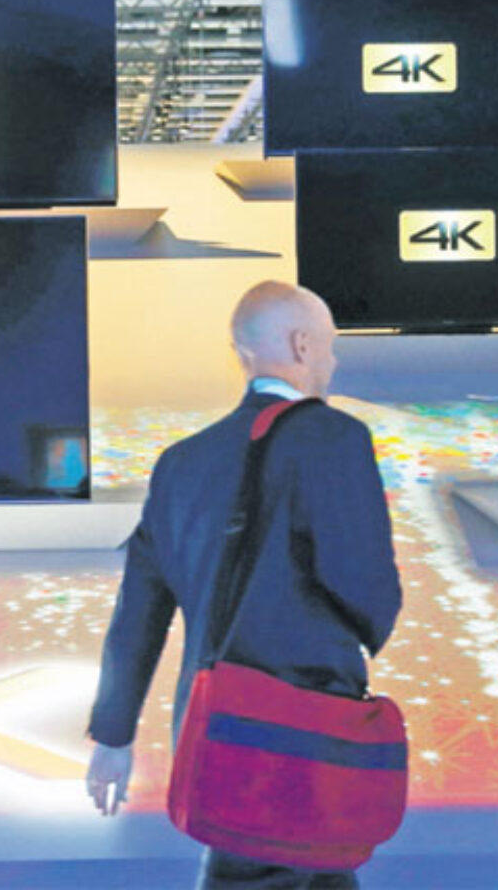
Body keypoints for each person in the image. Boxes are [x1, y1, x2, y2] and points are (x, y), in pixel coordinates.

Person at [85, 280, 402, 890]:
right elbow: (364, 584)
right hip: (309, 727)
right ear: (303, 345)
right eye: (330, 345)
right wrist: (371, 628)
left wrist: (114, 735)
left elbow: (140, 611)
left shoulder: (180, 463)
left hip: (214, 731)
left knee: (295, 872)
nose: (333, 361)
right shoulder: (334, 437)